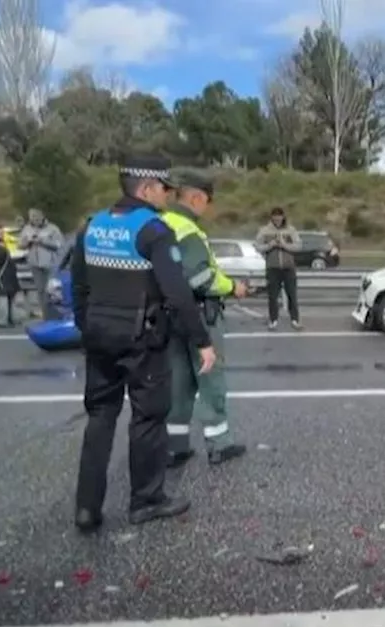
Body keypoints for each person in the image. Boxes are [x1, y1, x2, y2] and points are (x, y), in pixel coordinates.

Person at [71, 156, 216, 533]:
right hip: (142, 339)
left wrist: (85, 329)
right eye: (165, 189)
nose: (168, 196)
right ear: (147, 188)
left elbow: (79, 287)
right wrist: (202, 340)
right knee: (148, 419)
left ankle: (86, 508)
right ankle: (146, 500)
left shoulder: (92, 225)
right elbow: (178, 292)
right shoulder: (153, 230)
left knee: (100, 418)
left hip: (100, 337)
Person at [161, 168, 250, 467]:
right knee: (211, 379)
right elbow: (201, 278)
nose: (207, 207)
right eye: (207, 201)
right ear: (197, 197)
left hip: (169, 316)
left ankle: (175, 447)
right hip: (200, 315)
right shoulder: (189, 230)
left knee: (178, 382)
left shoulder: (160, 223)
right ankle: (219, 444)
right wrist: (233, 287)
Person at [254, 206, 301, 330]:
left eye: (279, 215)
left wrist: (284, 245)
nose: (277, 218)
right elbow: (258, 246)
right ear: (272, 217)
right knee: (273, 296)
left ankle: (295, 320)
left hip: (288, 267)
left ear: (283, 216)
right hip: (272, 268)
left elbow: (298, 246)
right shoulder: (264, 230)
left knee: (292, 295)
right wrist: (271, 245)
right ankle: (273, 320)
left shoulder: (291, 230)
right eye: (275, 216)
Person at [18, 208, 64, 319]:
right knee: (41, 291)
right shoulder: (27, 229)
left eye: (36, 216)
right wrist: (27, 242)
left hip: (50, 264)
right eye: (32, 217)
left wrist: (42, 241)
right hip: (34, 264)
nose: (34, 219)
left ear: (42, 216)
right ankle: (45, 314)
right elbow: (19, 245)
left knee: (51, 290)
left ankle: (54, 314)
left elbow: (59, 245)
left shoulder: (53, 229)